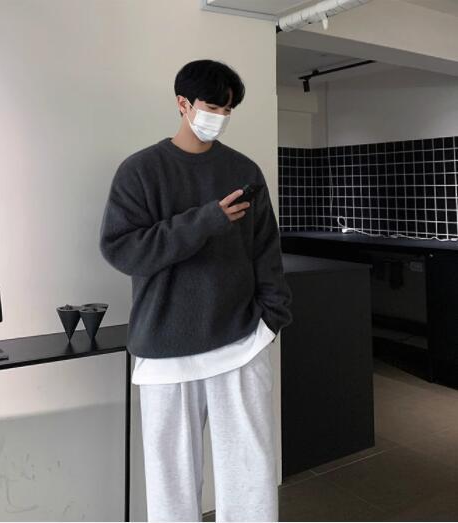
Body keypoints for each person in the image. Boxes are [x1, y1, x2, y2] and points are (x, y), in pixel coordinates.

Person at [99, 59, 292, 522]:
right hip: (165, 346)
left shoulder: (243, 170)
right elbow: (123, 250)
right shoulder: (140, 171)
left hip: (241, 342)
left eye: (228, 109)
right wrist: (205, 221)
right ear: (182, 104)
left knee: (250, 473)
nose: (220, 117)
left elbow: (266, 251)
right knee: (171, 483)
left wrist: (272, 319)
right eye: (212, 106)